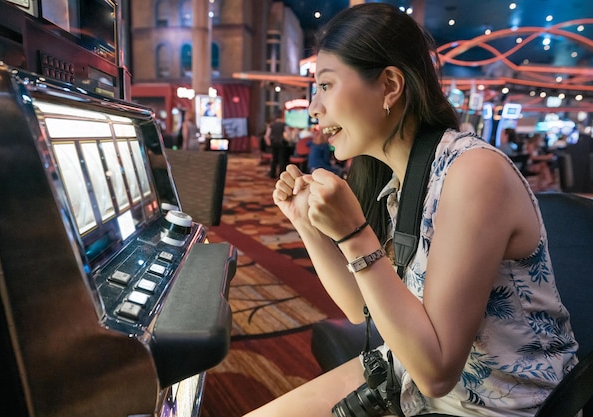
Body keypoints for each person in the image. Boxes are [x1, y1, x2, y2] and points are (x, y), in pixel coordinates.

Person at [247, 4, 578, 417]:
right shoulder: (401, 182)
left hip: (496, 407)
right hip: (411, 385)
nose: (314, 107)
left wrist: (354, 235)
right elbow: (360, 309)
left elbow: (437, 371)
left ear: (389, 85)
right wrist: (306, 224)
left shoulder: (473, 173)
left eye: (326, 86)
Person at [264, 112, 291, 178]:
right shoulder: (284, 124)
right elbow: (288, 134)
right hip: (282, 144)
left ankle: (272, 174)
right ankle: (281, 175)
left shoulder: (271, 125)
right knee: (282, 160)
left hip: (274, 144)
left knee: (274, 159)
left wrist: (269, 144)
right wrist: (289, 140)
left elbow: (266, 136)